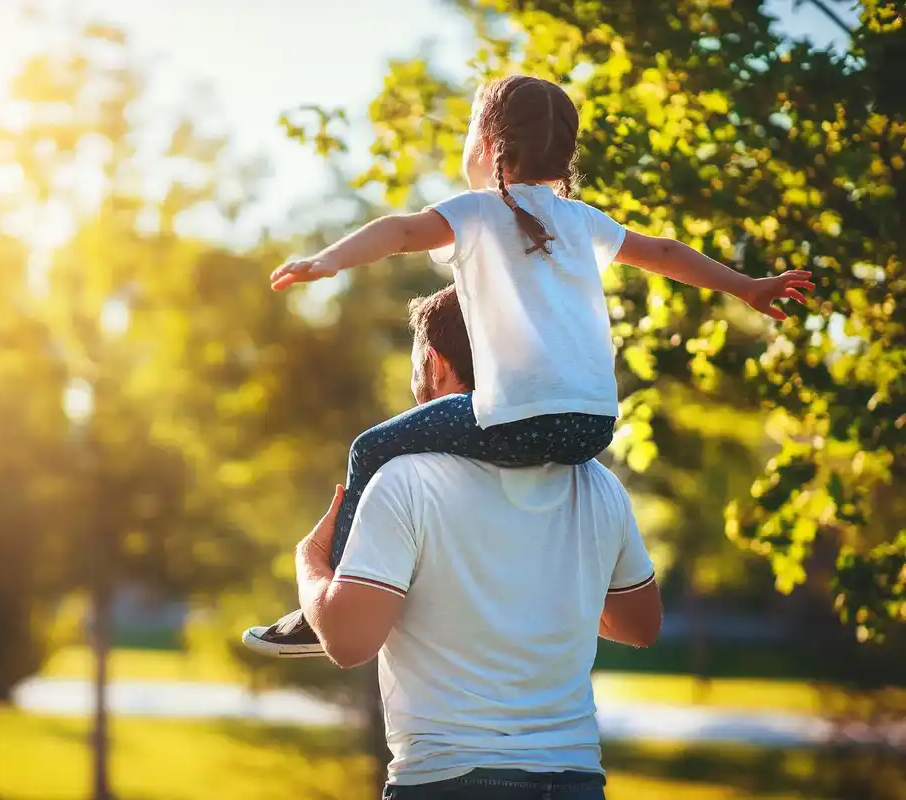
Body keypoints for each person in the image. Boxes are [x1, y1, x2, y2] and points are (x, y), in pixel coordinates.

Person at [242, 74, 812, 657]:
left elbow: (402, 230)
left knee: (370, 448)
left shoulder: (478, 213)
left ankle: (332, 598)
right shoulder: (582, 219)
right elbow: (664, 253)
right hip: (592, 427)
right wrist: (746, 286)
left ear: (488, 147)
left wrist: (327, 260)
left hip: (517, 419)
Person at [294, 284, 661, 798]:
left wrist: (310, 564)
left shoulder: (405, 479)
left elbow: (349, 641)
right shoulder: (598, 482)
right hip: (575, 779)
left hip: (451, 779)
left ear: (436, 362)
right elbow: (639, 625)